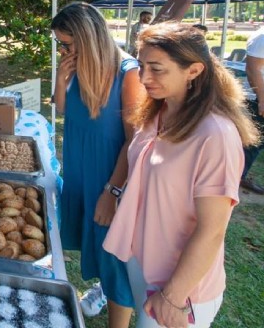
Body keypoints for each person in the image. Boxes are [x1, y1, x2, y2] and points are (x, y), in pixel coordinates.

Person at [103, 22, 258, 327]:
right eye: (142, 65)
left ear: (194, 70)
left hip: (177, 284)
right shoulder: (156, 111)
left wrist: (173, 296)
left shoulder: (215, 135)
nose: (144, 77)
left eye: (157, 69)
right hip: (142, 261)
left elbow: (212, 230)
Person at [52, 2, 143, 327]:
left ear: (88, 38)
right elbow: (64, 111)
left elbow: (134, 141)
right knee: (95, 242)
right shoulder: (78, 65)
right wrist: (62, 80)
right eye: (61, 44)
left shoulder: (127, 72)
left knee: (115, 258)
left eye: (68, 44)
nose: (64, 50)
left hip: (109, 176)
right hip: (80, 170)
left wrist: (113, 191)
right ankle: (101, 288)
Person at [241, 26, 264, 194]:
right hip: (259, 99)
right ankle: (237, 177)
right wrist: (262, 99)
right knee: (253, 143)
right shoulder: (262, 37)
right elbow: (252, 69)